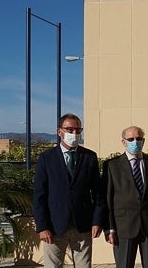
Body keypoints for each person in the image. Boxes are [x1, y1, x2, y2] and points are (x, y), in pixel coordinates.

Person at [33, 113, 104, 268]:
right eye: (69, 129)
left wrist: (97, 221)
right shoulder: (47, 158)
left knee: (84, 265)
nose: (74, 133)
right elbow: (39, 195)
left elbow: (98, 194)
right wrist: (42, 226)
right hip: (54, 225)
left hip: (83, 225)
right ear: (59, 131)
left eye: (78, 130)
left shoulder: (89, 157)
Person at [103, 126, 148, 268]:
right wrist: (109, 228)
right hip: (123, 227)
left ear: (143, 140)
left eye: (138, 139)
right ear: (123, 142)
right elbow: (107, 199)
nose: (135, 142)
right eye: (131, 139)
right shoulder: (112, 165)